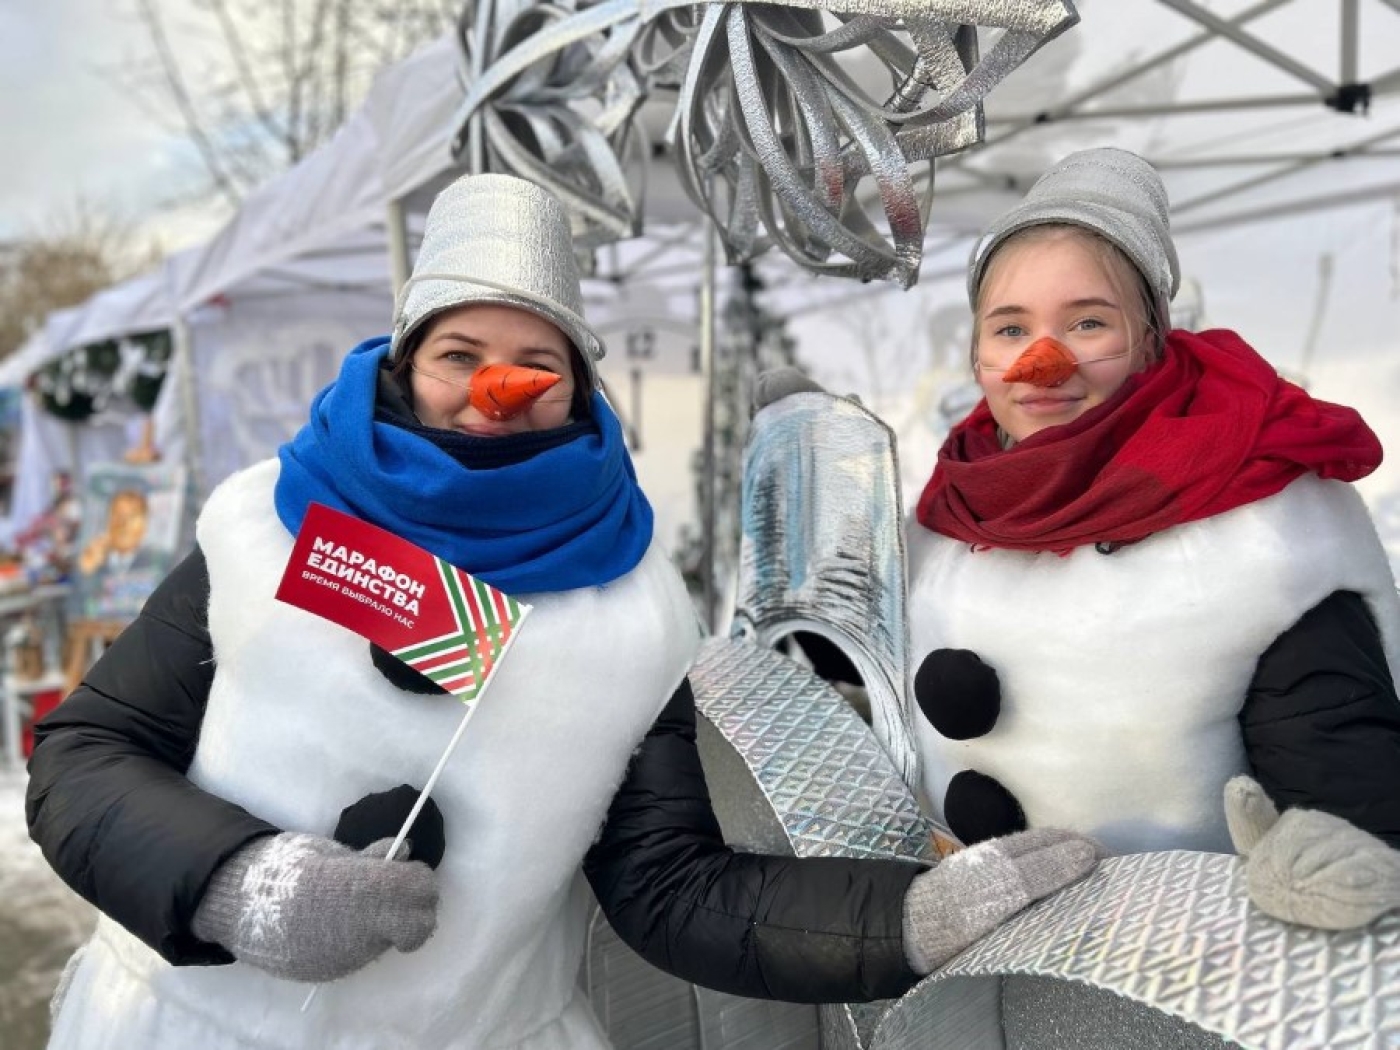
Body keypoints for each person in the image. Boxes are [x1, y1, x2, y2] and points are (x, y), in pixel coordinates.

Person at [26, 173, 1100, 1050]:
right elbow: (85, 755)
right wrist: (232, 882)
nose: (498, 386)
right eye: (460, 355)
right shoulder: (263, 523)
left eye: (536, 361)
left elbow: (668, 884)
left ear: (577, 386)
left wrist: (907, 918)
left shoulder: (631, 610)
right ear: (405, 366)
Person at [902, 147, 1400, 929]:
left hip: (1184, 965)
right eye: (1009, 329)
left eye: (1088, 322)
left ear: (1150, 340)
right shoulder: (945, 510)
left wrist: (1335, 856)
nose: (1041, 362)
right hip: (984, 966)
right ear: (978, 356)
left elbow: (1338, 763)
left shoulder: (1257, 522)